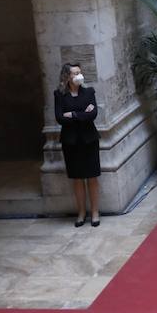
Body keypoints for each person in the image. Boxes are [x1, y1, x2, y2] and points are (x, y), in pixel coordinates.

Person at [54, 62, 101, 226]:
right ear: (67, 77)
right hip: (71, 142)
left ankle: (95, 211)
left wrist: (72, 114)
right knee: (77, 179)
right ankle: (81, 212)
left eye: (80, 72)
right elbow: (60, 118)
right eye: (75, 73)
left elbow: (93, 114)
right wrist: (81, 114)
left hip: (89, 139)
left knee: (92, 177)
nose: (79, 76)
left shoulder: (89, 92)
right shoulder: (59, 95)